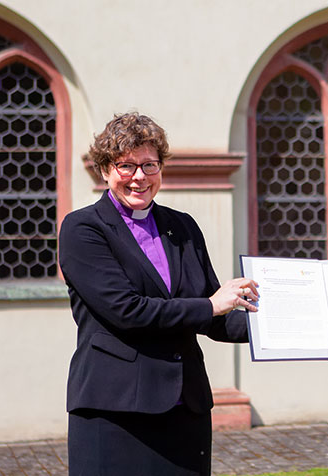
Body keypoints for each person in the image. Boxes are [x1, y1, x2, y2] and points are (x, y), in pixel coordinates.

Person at [59, 112, 259, 475]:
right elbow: (127, 311)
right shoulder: (83, 229)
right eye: (126, 165)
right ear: (105, 169)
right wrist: (211, 305)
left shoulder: (181, 226)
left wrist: (291, 327)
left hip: (185, 407)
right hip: (116, 410)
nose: (139, 177)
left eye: (149, 165)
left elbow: (215, 319)